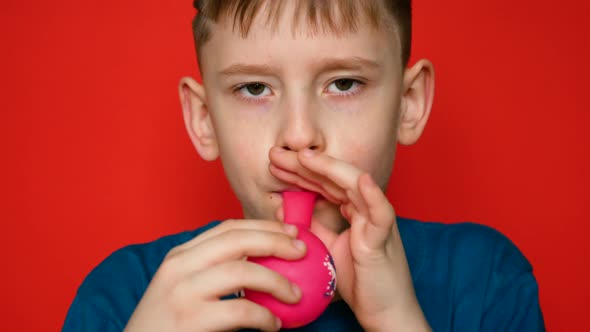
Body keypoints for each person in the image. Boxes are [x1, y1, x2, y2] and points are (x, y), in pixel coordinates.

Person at [63, 1, 545, 331]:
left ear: (408, 104)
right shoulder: (125, 298)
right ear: (204, 119)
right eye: (254, 89)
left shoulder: (485, 282)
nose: (298, 135)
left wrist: (398, 319)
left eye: (343, 83)